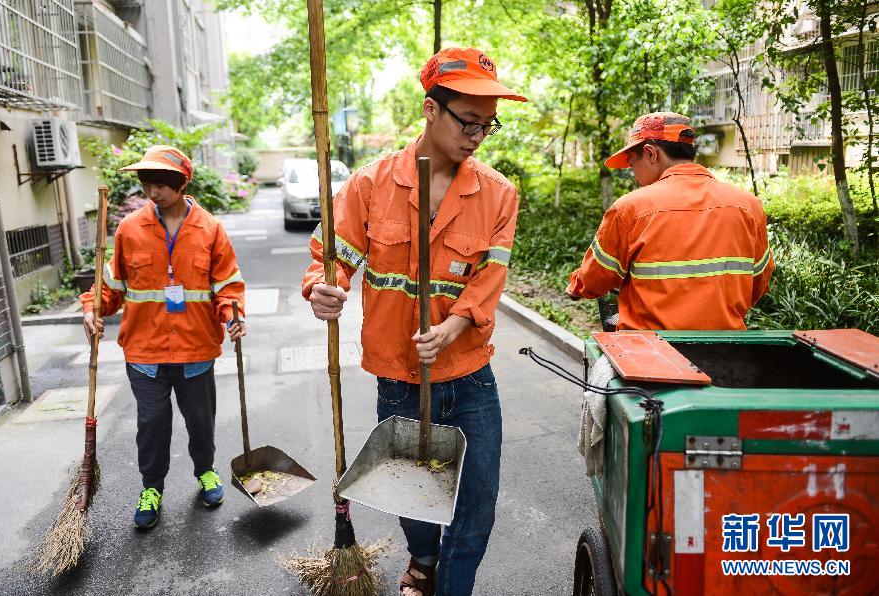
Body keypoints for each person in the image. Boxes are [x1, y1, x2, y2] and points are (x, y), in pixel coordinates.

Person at [302, 48, 525, 596]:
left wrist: (453, 328)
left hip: (469, 377)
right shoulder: (368, 185)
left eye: (487, 125)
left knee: (476, 504)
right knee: (414, 496)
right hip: (398, 379)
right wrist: (323, 289)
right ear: (431, 109)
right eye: (468, 121)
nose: (477, 135)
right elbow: (332, 259)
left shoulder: (498, 194)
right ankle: (422, 561)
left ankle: (452, 586)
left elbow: (487, 282)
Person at [81, 145, 246, 529]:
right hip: (145, 352)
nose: (153, 194)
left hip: (196, 349)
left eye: (161, 186)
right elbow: (110, 287)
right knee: (152, 424)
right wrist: (92, 308)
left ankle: (205, 471)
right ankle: (151, 487)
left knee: (201, 422)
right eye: (148, 185)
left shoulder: (209, 229)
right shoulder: (130, 230)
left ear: (180, 183)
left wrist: (233, 316)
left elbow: (228, 286)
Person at [566, 112, 774, 330]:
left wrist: (576, 287)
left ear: (650, 153)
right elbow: (759, 282)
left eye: (631, 163)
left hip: (650, 352)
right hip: (725, 349)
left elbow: (597, 277)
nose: (633, 173)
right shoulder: (749, 206)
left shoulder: (630, 209)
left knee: (601, 365)